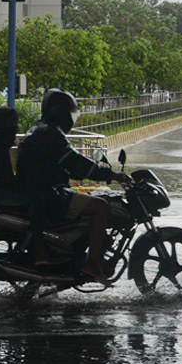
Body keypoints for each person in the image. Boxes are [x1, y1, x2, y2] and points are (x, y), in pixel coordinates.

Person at [17, 89, 132, 284]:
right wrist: (111, 175)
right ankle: (92, 263)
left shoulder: (40, 129)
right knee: (100, 207)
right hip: (49, 194)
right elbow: (76, 163)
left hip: (41, 192)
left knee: (92, 200)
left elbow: (69, 164)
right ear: (61, 113)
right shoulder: (51, 133)